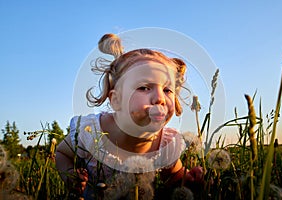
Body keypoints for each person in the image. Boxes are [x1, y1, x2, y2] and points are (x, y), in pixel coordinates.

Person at [55, 33, 203, 199]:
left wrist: (188, 179)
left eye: (167, 90)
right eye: (144, 87)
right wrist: (70, 176)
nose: (160, 98)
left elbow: (174, 176)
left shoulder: (166, 144)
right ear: (116, 100)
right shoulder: (91, 133)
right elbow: (62, 153)